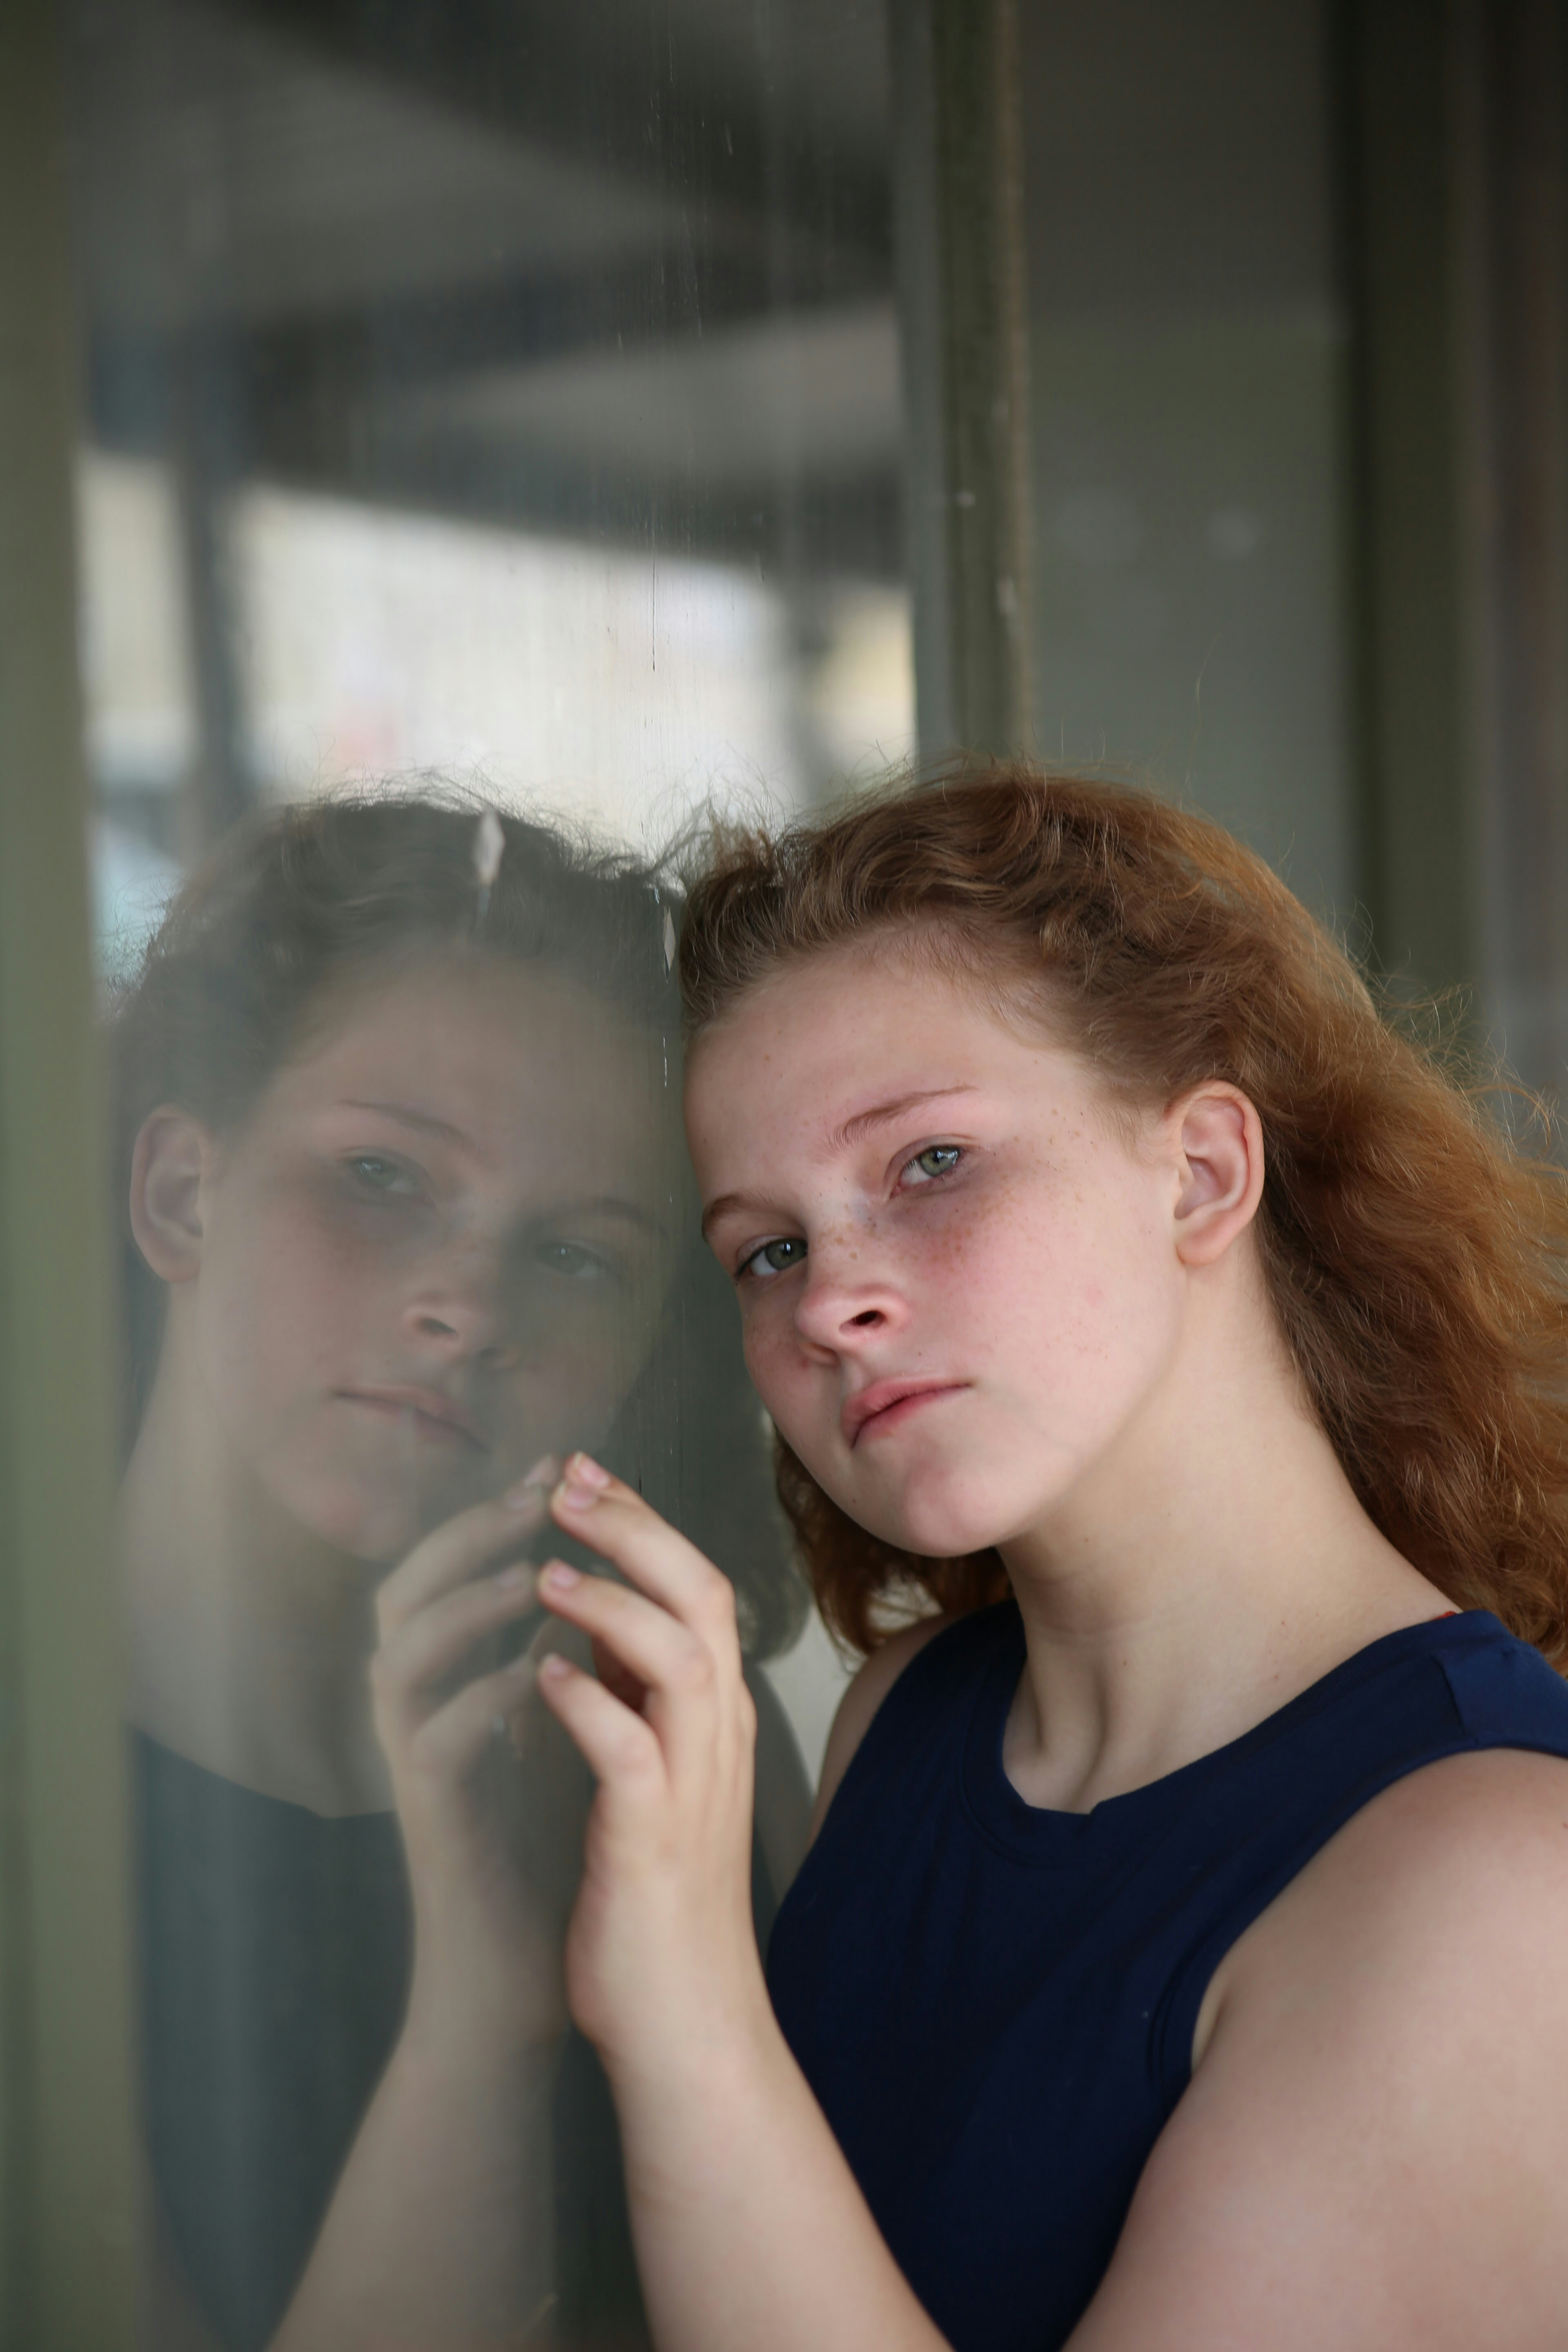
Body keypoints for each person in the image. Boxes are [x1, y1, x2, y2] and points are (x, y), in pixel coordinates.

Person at [497, 766, 1568, 2352]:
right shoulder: (905, 1718)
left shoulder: (1499, 1891)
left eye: (929, 1164)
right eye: (768, 1248)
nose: (827, 1302)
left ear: (1201, 1173)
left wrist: (687, 2013)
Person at [111, 790, 810, 2352]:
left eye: (575, 1254)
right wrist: (487, 2014)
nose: (468, 1306)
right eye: (382, 1176)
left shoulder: (677, 1739)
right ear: (179, 1194)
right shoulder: (48, 1810)